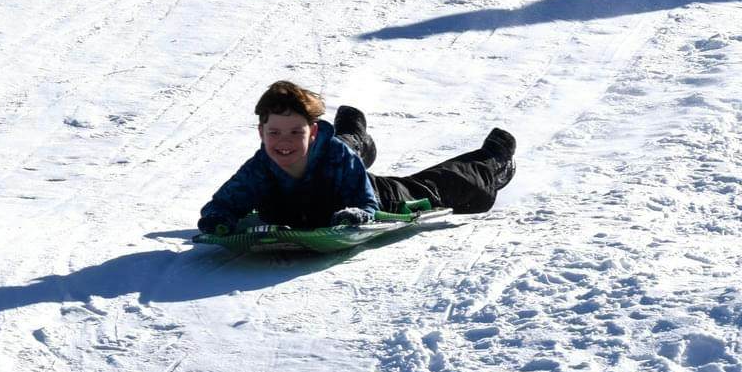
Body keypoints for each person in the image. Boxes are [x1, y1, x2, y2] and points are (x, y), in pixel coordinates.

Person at [197, 79, 516, 233]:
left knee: (434, 188)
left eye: (296, 132)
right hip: (315, 195)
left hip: (380, 196)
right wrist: (218, 219)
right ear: (261, 134)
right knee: (342, 148)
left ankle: (491, 162)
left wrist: (357, 213)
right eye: (274, 133)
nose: (284, 143)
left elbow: (363, 200)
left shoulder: (334, 154)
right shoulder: (259, 168)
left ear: (312, 131)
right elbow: (226, 201)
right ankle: (357, 135)